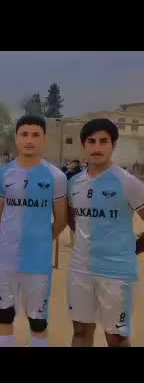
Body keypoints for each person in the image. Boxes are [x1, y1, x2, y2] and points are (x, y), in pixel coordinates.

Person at [0, 116, 68, 346]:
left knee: (38, 321)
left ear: (44, 139)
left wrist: (41, 240)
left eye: (35, 135)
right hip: (6, 258)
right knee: (4, 315)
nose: (29, 140)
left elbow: (61, 220)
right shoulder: (1, 175)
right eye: (24, 134)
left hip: (38, 261)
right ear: (16, 138)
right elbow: (0, 215)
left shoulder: (56, 177)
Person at [68, 119, 144, 347]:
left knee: (116, 337)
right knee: (80, 331)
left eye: (104, 141)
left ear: (114, 145)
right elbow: (73, 218)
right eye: (91, 141)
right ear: (84, 145)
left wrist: (133, 249)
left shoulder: (128, 183)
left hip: (116, 271)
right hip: (80, 269)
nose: (97, 147)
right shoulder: (74, 183)